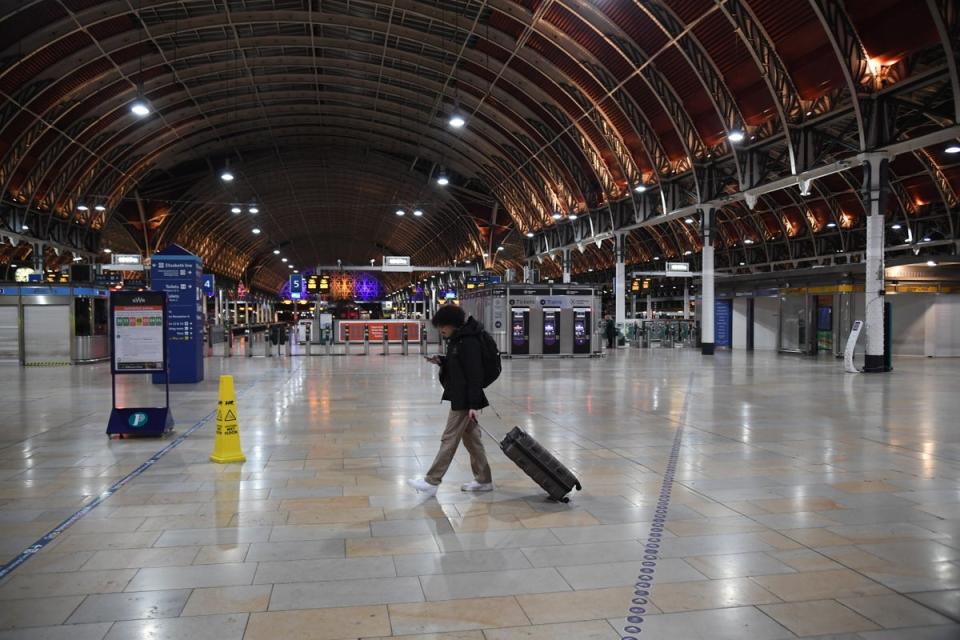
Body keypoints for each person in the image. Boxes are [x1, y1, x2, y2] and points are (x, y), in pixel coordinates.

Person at [407, 304, 493, 496]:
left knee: (449, 438)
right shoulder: (459, 338)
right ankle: (484, 479)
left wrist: (473, 404)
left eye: (442, 326)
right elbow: (459, 364)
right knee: (472, 440)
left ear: (453, 324)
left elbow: (474, 374)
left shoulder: (468, 341)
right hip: (461, 395)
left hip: (464, 400)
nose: (440, 330)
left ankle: (432, 481)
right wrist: (442, 361)